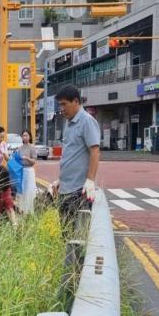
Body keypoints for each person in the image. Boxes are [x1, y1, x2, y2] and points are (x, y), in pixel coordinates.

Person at [52, 85, 101, 223]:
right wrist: (61, 180)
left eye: (64, 104)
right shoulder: (68, 123)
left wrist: (90, 180)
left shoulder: (87, 121)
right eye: (60, 105)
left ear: (76, 101)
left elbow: (95, 151)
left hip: (78, 190)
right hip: (65, 189)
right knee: (65, 234)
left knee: (76, 236)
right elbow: (71, 154)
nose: (62, 108)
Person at [17, 130, 38, 214]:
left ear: (30, 137)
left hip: (29, 170)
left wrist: (27, 158)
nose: (25, 137)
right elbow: (18, 160)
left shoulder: (32, 147)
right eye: (23, 135)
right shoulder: (20, 148)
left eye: (26, 135)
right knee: (22, 190)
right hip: (22, 170)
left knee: (29, 190)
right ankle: (22, 209)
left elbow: (34, 161)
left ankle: (30, 210)